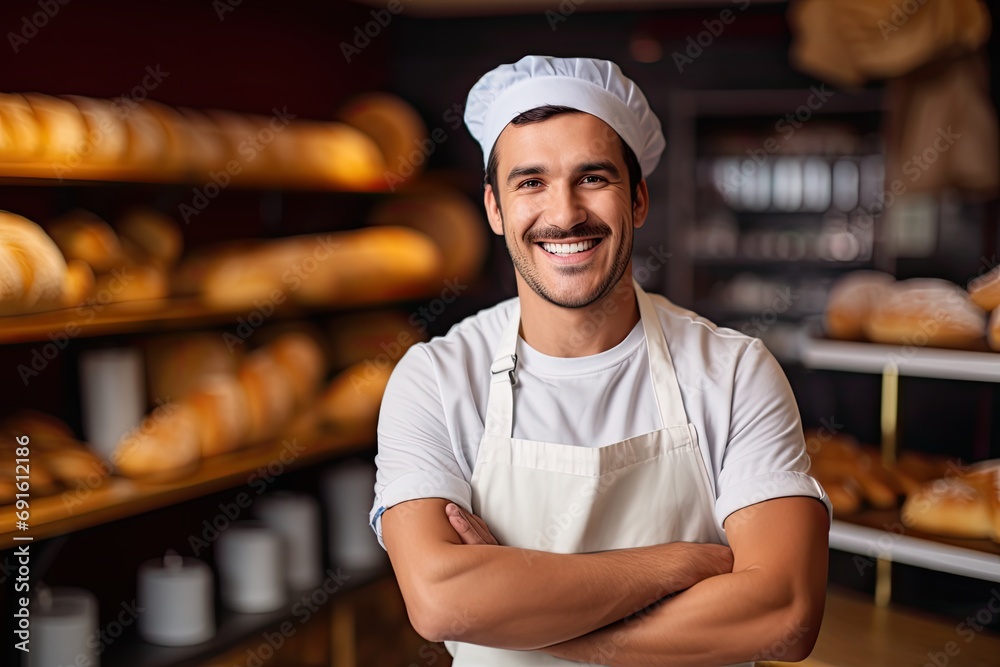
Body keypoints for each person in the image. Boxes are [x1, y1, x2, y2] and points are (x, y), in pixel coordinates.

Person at [370, 55, 831, 666]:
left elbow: (784, 614)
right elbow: (440, 602)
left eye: (593, 178)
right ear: (494, 209)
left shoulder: (735, 372)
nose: (563, 215)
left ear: (638, 199)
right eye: (530, 181)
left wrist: (531, 624)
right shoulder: (434, 380)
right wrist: (681, 563)